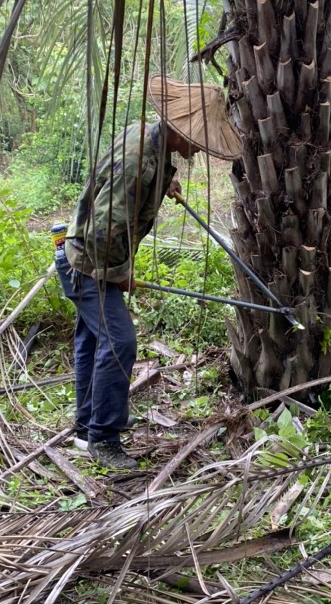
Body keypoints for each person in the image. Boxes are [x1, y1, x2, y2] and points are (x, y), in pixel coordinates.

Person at [56, 77, 240, 470]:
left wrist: (164, 181)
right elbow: (107, 227)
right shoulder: (142, 163)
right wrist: (120, 273)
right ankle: (103, 440)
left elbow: (127, 177)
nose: (197, 150)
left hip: (80, 255)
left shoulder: (145, 137)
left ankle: (87, 426)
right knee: (119, 342)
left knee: (92, 341)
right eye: (197, 140)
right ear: (178, 130)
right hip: (89, 263)